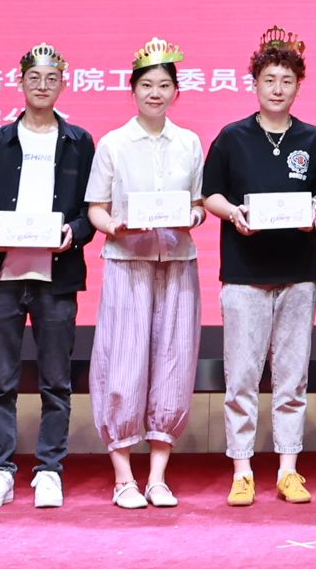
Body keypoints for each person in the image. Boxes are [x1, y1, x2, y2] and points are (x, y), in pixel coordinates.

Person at [200, 26, 316, 507]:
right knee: (241, 378)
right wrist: (232, 213)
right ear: (254, 83)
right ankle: (242, 470)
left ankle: (289, 469)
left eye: (286, 81)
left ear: (298, 85)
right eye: (269, 80)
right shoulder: (232, 137)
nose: (277, 89)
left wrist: (314, 208)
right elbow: (210, 194)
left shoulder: (313, 139)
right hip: (244, 275)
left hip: (298, 273)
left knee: (292, 378)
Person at [0, 43, 95, 511]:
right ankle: (0, 471)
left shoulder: (79, 142)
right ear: (20, 81)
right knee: (0, 382)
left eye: (51, 78)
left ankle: (49, 470)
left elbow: (90, 209)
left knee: (56, 382)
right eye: (34, 78)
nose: (42, 86)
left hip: (56, 276)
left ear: (63, 84)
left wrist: (74, 233)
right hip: (5, 276)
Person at [87, 38, 208, 509]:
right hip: (127, 262)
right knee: (123, 365)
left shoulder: (189, 143)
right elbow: (96, 208)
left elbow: (198, 205)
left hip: (177, 263)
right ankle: (123, 477)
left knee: (173, 364)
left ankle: (157, 476)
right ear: (132, 90)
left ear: (176, 92)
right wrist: (113, 226)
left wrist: (193, 217)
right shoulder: (113, 144)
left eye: (163, 85)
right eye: (146, 85)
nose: (155, 93)